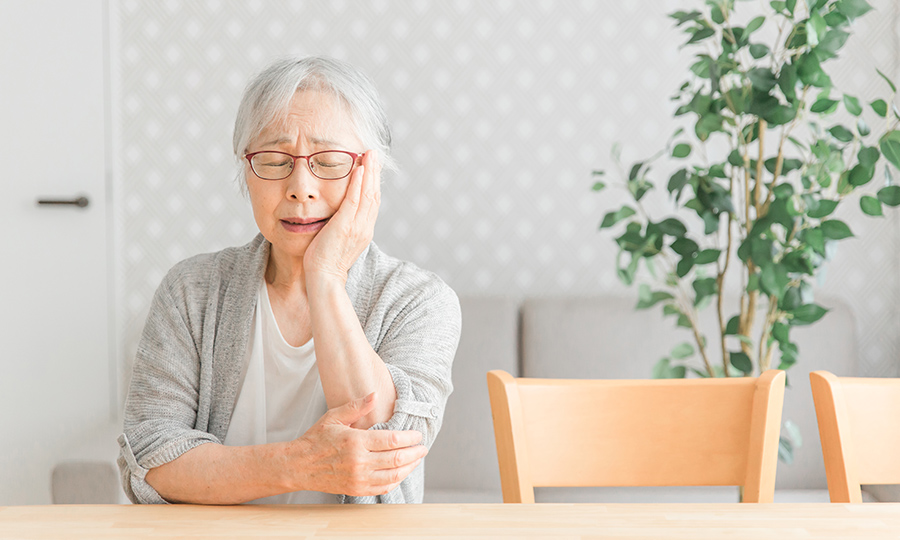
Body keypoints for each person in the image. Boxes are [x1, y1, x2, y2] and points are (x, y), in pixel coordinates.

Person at [117, 56, 461, 505]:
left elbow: (385, 447)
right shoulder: (191, 290)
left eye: (330, 161)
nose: (301, 186)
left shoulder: (420, 301)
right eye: (276, 160)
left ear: (370, 173)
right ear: (246, 169)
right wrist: (297, 464)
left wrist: (326, 277)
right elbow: (151, 456)